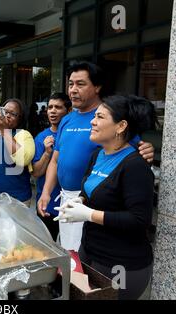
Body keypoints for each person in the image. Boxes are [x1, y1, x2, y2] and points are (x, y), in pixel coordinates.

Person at [37, 61, 154, 252]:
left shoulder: (112, 119)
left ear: (97, 87)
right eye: (70, 84)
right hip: (71, 199)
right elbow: (56, 160)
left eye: (80, 84)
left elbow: (133, 150)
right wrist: (46, 192)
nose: (73, 90)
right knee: (69, 252)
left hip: (98, 204)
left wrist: (146, 150)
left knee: (86, 253)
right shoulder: (67, 119)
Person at [54, 95, 156, 300]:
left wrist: (90, 214)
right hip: (90, 251)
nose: (92, 121)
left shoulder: (135, 165)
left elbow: (139, 220)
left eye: (99, 117)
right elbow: (90, 190)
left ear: (121, 126)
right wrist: (80, 201)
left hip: (121, 263)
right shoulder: (98, 155)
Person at [31, 93, 71, 240]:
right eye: (50, 107)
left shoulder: (73, 135)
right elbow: (36, 172)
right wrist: (47, 153)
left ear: (69, 110)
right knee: (47, 249)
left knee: (73, 251)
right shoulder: (41, 137)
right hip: (47, 204)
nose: (52, 111)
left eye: (58, 107)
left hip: (73, 204)